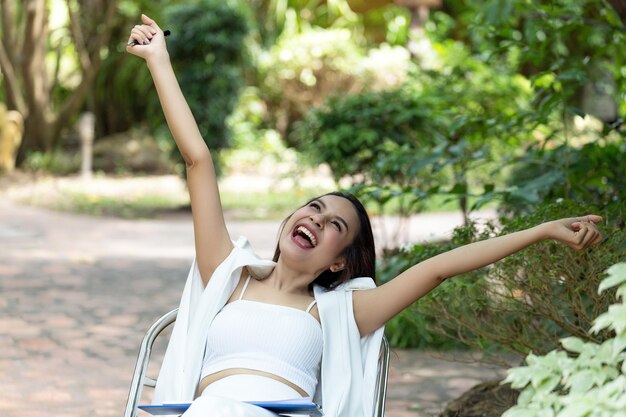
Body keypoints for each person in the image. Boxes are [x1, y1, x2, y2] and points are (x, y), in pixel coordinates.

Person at [126, 14, 603, 417]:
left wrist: (540, 231)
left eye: (335, 225)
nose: (315, 218)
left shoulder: (341, 311)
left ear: (340, 262)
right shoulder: (227, 275)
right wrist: (159, 63)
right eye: (313, 208)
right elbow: (199, 161)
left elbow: (438, 269)